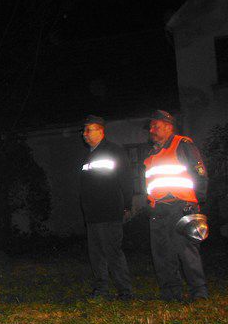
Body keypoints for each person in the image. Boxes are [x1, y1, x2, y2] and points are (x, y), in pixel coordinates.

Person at [145, 110, 209, 302]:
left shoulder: (182, 145)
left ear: (168, 126)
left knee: (187, 252)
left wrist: (196, 202)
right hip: (159, 210)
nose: (152, 130)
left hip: (181, 207)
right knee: (162, 254)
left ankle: (199, 293)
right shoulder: (152, 153)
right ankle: (171, 294)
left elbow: (200, 174)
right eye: (151, 126)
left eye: (156, 126)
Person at [79, 115, 134, 300]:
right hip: (92, 214)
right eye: (84, 130)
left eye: (89, 130)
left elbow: (126, 179)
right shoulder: (89, 156)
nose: (85, 134)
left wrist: (127, 205)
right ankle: (101, 289)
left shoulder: (114, 151)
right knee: (96, 254)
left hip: (109, 211)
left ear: (101, 131)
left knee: (112, 252)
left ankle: (124, 291)